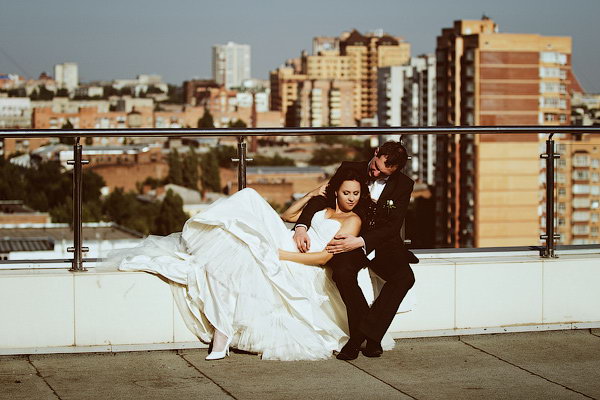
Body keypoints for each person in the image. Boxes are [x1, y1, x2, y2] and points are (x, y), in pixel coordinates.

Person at [109, 168, 394, 361]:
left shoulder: (352, 221)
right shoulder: (324, 208)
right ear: (336, 192)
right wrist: (308, 204)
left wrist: (282, 256)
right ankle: (220, 325)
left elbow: (323, 258)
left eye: (356, 194)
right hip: (286, 240)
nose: (351, 198)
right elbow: (286, 216)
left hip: (299, 259)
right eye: (346, 193)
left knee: (247, 212)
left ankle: (222, 332)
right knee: (247, 203)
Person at [293, 141, 417, 360]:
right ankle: (370, 338)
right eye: (376, 167)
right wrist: (301, 226)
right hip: (346, 236)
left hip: (380, 243)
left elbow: (393, 226)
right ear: (376, 152)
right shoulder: (350, 169)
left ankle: (364, 336)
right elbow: (322, 198)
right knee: (342, 273)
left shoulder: (404, 184)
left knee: (405, 277)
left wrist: (361, 241)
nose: (376, 174)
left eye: (384, 174)